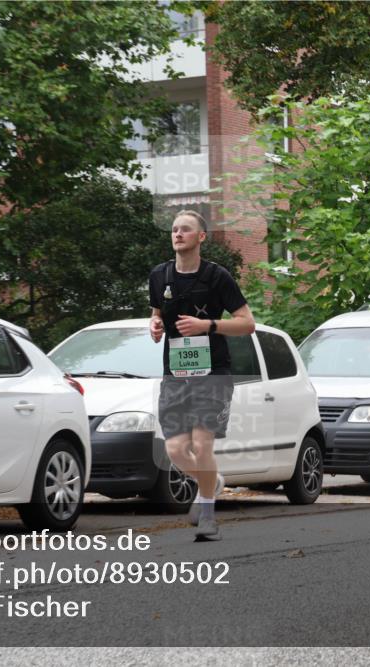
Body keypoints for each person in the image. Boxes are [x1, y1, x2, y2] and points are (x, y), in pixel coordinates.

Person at [149, 210, 256, 541]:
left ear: (201, 237)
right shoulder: (159, 275)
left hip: (213, 373)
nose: (178, 234)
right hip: (176, 374)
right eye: (174, 229)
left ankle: (208, 514)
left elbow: (247, 323)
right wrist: (154, 326)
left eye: (185, 229)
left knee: (201, 442)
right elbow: (156, 315)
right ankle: (211, 482)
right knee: (176, 450)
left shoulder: (217, 276)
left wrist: (207, 325)